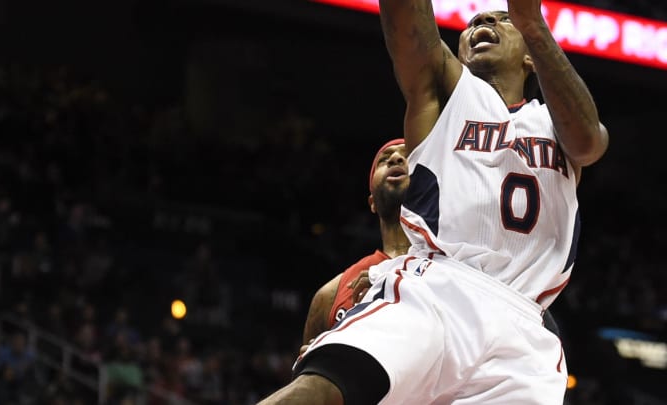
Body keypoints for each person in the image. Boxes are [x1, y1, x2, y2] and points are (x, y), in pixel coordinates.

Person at [258, 0, 608, 403]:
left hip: (526, 325)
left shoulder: (556, 119)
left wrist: (531, 22)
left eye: (501, 20)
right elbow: (410, 29)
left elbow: (588, 143)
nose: (484, 21)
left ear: (531, 56)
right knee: (322, 389)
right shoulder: (448, 93)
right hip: (441, 288)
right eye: (475, 20)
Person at [301, 138, 412, 346]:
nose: (396, 158)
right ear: (372, 204)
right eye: (384, 160)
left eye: (408, 156)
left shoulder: (461, 269)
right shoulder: (329, 296)